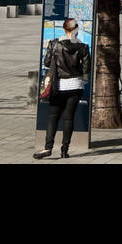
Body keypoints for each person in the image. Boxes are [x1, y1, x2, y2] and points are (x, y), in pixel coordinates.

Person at [35, 17, 91, 159]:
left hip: (58, 85)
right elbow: (86, 69)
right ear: (76, 29)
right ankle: (65, 150)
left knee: (53, 117)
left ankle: (48, 148)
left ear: (64, 29)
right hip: (76, 85)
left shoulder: (54, 44)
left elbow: (47, 62)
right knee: (69, 118)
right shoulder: (83, 47)